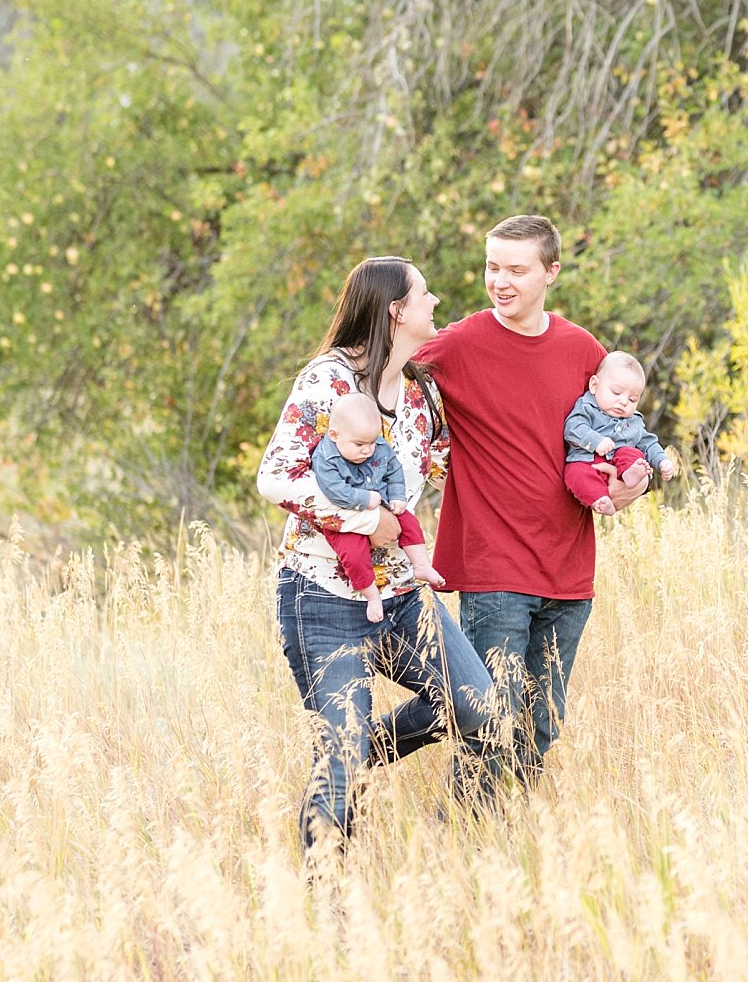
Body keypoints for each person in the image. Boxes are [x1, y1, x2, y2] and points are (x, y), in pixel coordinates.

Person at [371, 214, 649, 783]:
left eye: (516, 270)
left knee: (541, 724)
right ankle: (374, 762)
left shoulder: (583, 351)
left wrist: (629, 487)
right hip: (493, 563)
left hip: (569, 565)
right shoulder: (459, 344)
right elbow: (376, 372)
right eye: (492, 266)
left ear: (551, 272)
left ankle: (509, 846)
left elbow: (611, 443)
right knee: (487, 720)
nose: (500, 280)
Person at [256, 256, 512, 856]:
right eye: (425, 293)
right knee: (339, 760)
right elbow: (275, 476)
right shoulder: (328, 381)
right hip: (322, 595)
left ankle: (351, 752)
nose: (437, 300)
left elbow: (458, 464)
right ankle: (327, 898)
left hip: (400, 596)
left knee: (476, 706)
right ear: (396, 311)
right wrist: (366, 520)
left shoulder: (421, 395)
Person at [310, 391, 446, 622]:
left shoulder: (376, 445)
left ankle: (421, 564)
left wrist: (396, 496)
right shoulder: (326, 457)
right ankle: (371, 595)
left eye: (372, 443)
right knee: (353, 554)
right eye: (360, 444)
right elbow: (333, 490)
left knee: (409, 521)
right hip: (346, 517)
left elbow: (393, 469)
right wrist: (363, 499)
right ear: (334, 435)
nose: (368, 450)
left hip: (380, 501)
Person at [563, 350, 679, 515]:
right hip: (587, 462)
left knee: (632, 453)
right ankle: (600, 499)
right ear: (594, 385)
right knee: (574, 474)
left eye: (632, 399)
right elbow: (572, 427)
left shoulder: (634, 421)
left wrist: (662, 461)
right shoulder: (587, 407)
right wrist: (596, 441)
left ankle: (631, 473)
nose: (624, 402)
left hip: (619, 466)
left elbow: (648, 443)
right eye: (616, 393)